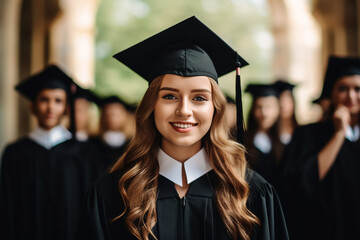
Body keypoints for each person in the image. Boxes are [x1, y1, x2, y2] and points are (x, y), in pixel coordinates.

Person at [76, 16, 289, 240]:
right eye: (169, 96)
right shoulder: (113, 195)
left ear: (215, 109)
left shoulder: (249, 193)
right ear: (151, 106)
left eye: (199, 98)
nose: (184, 110)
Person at [0, 65, 105, 240]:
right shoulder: (16, 153)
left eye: (58, 101)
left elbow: (92, 208)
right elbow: (7, 208)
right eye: (44, 100)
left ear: (66, 108)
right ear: (33, 106)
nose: (50, 107)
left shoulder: (84, 153)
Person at [281, 55, 360, 240]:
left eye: (358, 89)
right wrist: (340, 134)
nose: (351, 96)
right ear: (331, 94)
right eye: (342, 89)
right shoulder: (307, 134)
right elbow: (304, 182)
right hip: (323, 231)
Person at [244, 83, 283, 190]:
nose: (264, 113)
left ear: (278, 109)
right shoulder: (242, 142)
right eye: (259, 107)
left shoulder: (285, 144)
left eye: (269, 107)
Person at [95, 95, 136, 169]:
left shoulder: (134, 146)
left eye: (116, 114)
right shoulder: (94, 146)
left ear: (125, 116)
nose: (112, 118)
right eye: (108, 114)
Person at [273, 80, 298, 145]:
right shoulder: (270, 134)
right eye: (280, 101)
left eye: (287, 101)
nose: (283, 105)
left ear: (293, 103)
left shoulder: (301, 130)